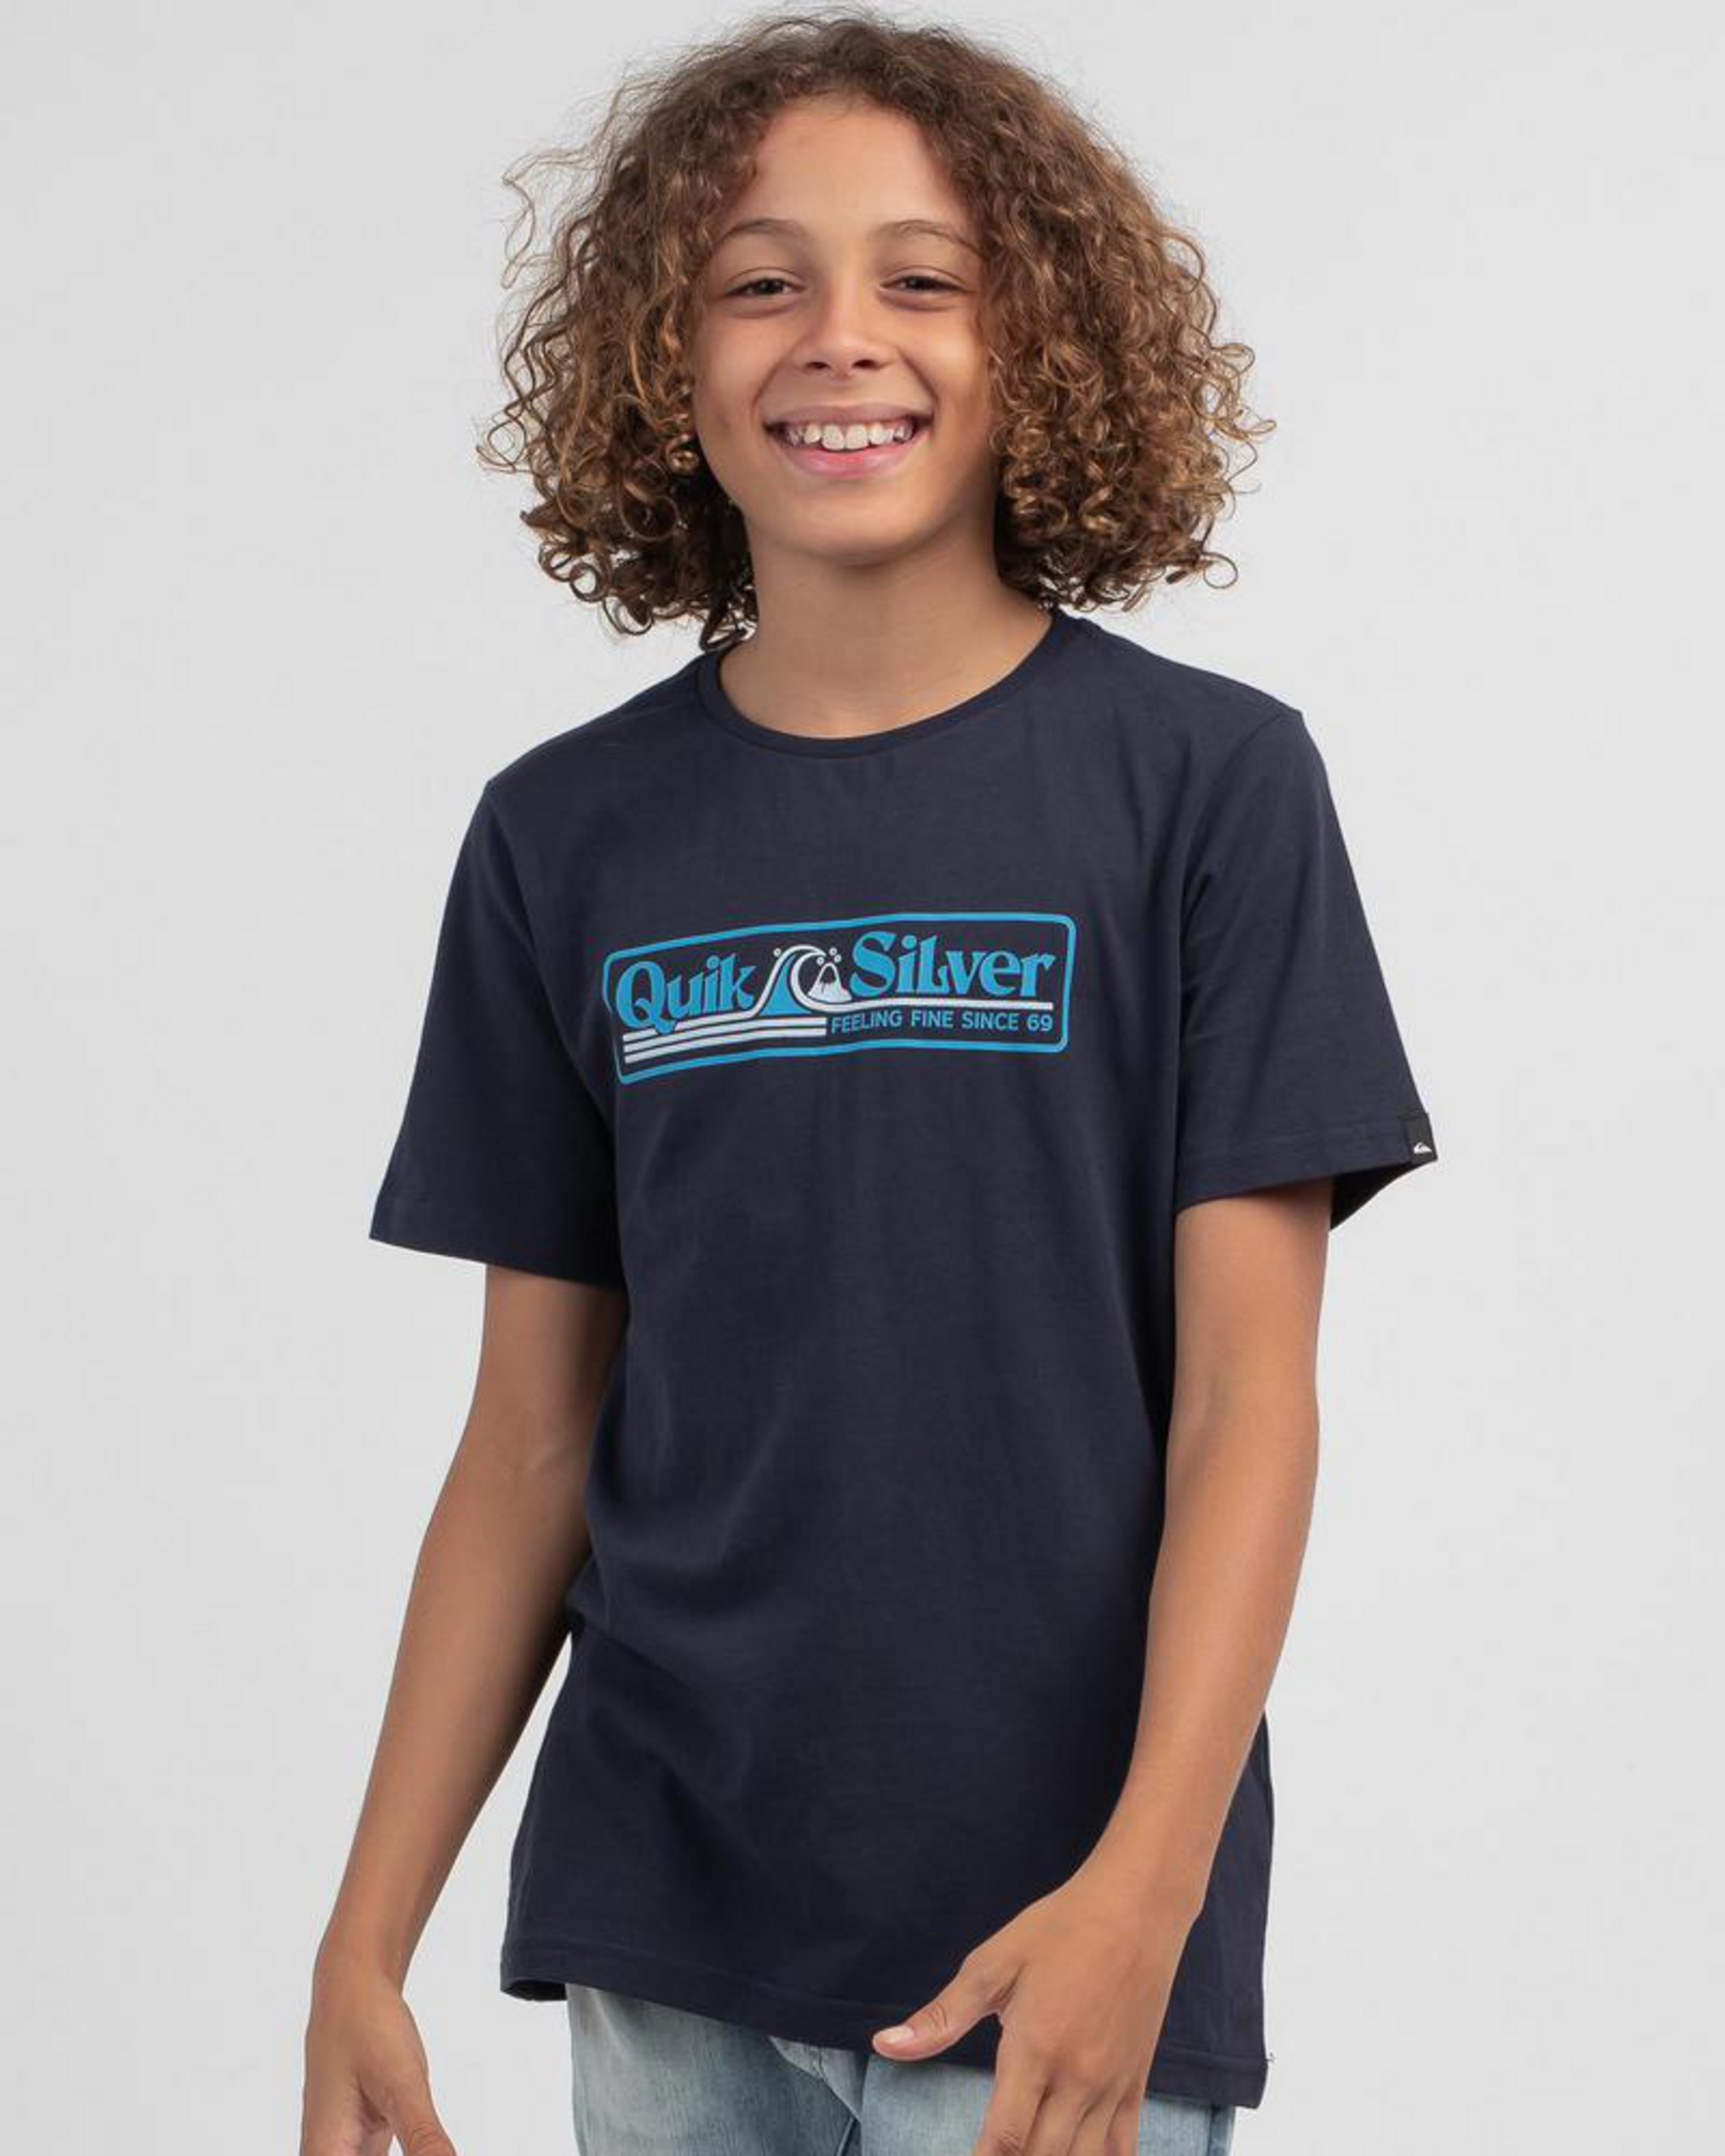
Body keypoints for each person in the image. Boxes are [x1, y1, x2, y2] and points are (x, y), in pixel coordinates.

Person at [299, 13, 1438, 2155]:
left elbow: (1247, 1403)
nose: (842, 335)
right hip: (666, 1935)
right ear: (665, 359)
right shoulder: (564, 835)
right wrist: (366, 1939)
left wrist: (1148, 1897)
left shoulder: (1207, 788)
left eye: (924, 277)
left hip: (1055, 1945)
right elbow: (530, 1441)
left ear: (1041, 344)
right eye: (761, 281)